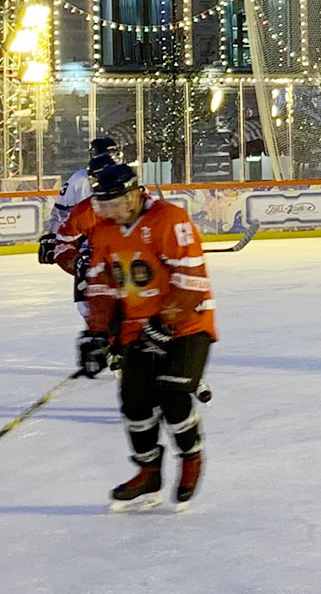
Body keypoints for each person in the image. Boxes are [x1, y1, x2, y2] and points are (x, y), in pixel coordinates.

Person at [74, 162, 217, 511]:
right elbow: (102, 287)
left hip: (188, 322)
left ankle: (191, 458)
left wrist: (165, 323)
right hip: (137, 326)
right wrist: (96, 334)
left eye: (113, 204)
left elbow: (192, 280)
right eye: (102, 205)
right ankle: (148, 472)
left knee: (172, 394)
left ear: (133, 196)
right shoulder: (104, 232)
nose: (107, 211)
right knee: (134, 401)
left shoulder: (169, 219)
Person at [38, 135, 117, 265]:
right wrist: (55, 236)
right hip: (89, 241)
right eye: (110, 152)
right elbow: (61, 210)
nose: (114, 157)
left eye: (114, 153)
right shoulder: (79, 180)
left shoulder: (124, 176)